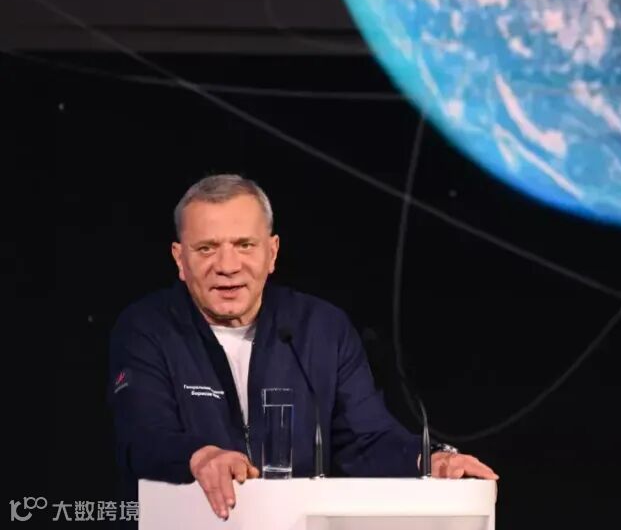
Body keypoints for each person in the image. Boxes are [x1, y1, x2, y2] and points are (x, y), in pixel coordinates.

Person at [107, 174, 497, 520]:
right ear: (180, 259)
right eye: (206, 248)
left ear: (272, 252)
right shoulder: (146, 328)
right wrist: (201, 457)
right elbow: (143, 436)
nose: (227, 265)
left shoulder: (321, 328)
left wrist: (430, 460)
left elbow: (366, 440)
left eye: (245, 245)